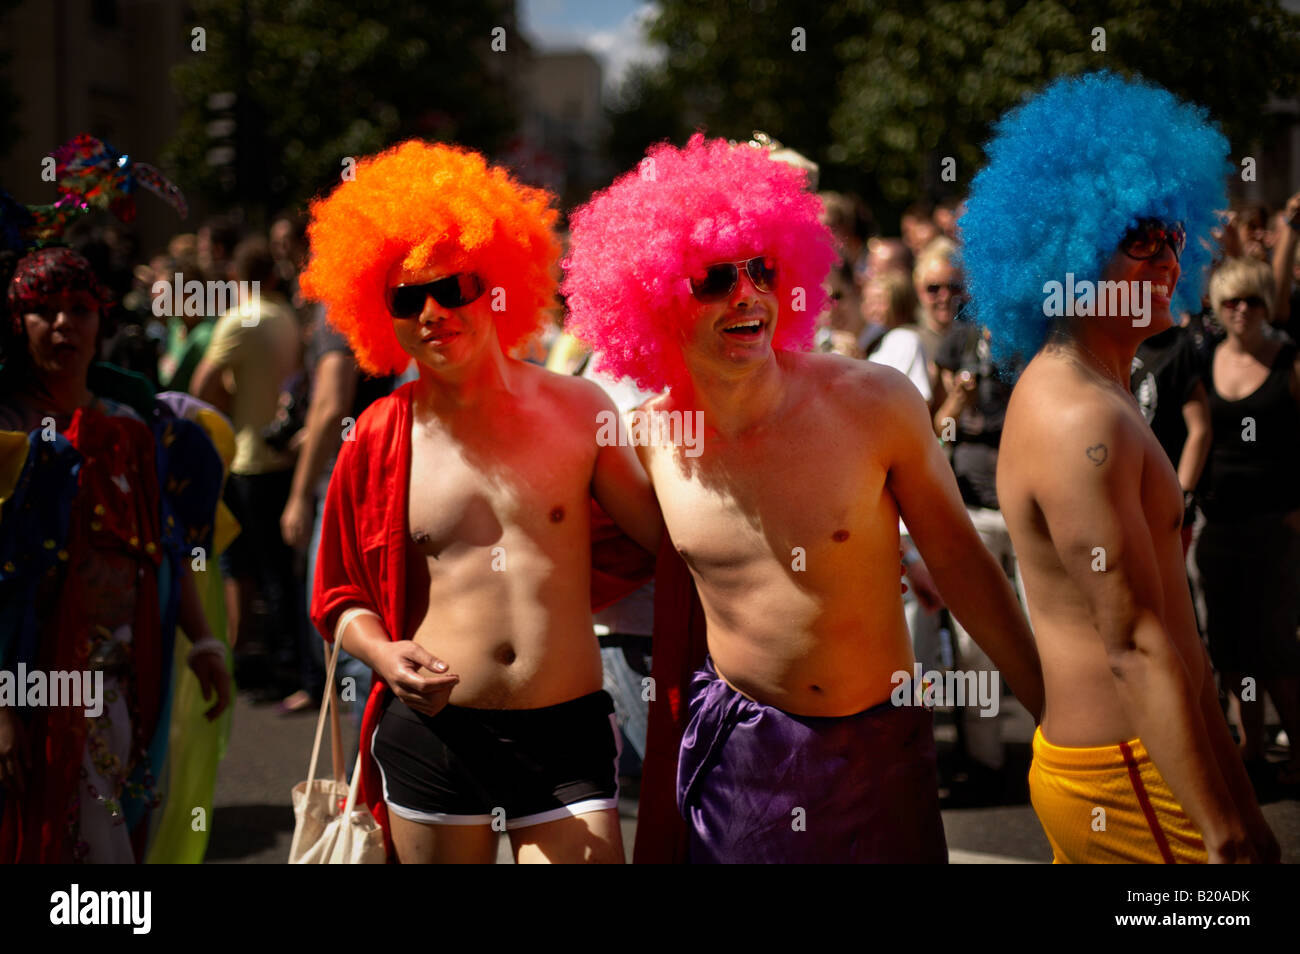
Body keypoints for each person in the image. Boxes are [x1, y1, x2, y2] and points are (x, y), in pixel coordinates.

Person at [563, 133, 1043, 863]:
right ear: (655, 299)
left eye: (762, 270)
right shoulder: (646, 441)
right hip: (743, 762)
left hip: (883, 746)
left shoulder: (874, 401)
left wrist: (1056, 712)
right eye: (714, 278)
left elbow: (962, 562)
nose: (748, 292)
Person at [302, 141, 661, 864]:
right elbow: (339, 596)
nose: (434, 312)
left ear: (495, 283)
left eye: (454, 287)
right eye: (408, 298)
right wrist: (385, 655)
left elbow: (665, 538)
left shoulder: (579, 408)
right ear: (383, 316)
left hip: (567, 737)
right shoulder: (375, 435)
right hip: (436, 737)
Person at [962, 70, 1278, 863]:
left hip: (1141, 769)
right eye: (1139, 237)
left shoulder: (1098, 391)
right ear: (1063, 249)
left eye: (1174, 233)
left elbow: (1176, 637)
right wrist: (1228, 831)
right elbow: (1134, 642)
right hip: (1129, 781)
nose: (1169, 257)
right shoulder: (1080, 416)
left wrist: (1237, 794)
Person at [0, 247, 230, 862]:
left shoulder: (130, 428)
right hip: (33, 687)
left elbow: (167, 546)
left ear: (102, 321)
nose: (63, 325)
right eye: (42, 310)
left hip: (128, 681)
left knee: (114, 836)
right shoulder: (6, 432)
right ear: (17, 322)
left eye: (79, 309)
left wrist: (204, 641)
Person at [1193, 256, 1300, 791]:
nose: (1240, 311)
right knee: (1232, 647)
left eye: (1251, 300)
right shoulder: (1206, 358)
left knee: (1277, 646)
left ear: (1266, 303)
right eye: (1230, 301)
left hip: (1277, 527)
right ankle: (1252, 746)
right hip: (1220, 525)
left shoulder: (1289, 361)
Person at [190, 237, 306, 703]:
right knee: (279, 570)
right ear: (274, 277)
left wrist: (228, 415)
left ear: (236, 279)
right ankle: (287, 664)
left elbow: (200, 386)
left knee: (241, 566)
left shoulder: (239, 320)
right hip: (283, 454)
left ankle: (254, 661)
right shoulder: (287, 317)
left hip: (248, 458)